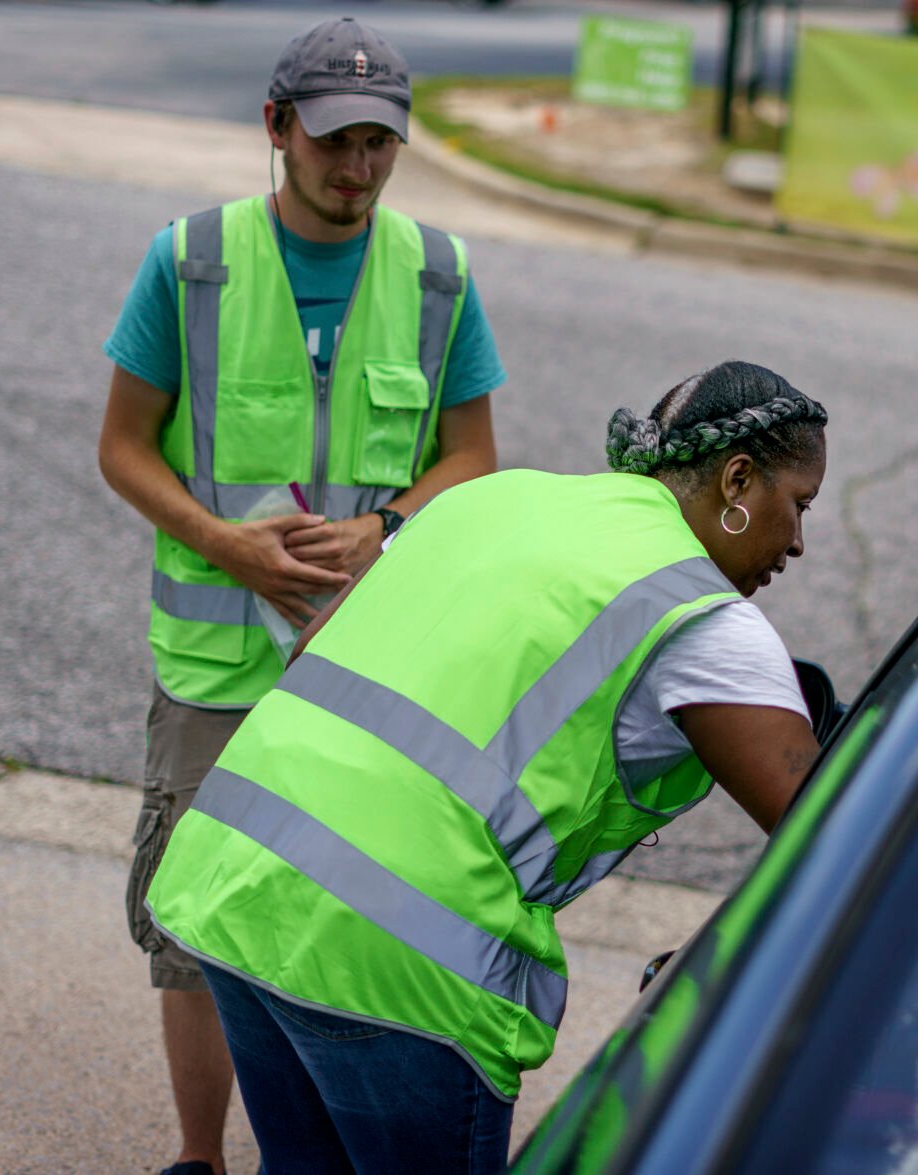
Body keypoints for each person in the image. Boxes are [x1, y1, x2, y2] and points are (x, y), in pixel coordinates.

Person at [144, 360, 828, 1172]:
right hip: (391, 961)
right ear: (738, 478)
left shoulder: (491, 497)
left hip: (235, 877)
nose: (797, 542)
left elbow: (310, 649)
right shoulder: (705, 616)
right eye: (798, 505)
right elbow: (836, 836)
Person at [96, 18, 504, 1175]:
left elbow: (473, 457)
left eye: (381, 142)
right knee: (193, 929)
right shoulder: (190, 260)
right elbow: (123, 448)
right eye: (335, 140)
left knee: (335, 926)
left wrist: (386, 528)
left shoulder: (438, 273)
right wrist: (228, 544)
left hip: (367, 672)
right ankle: (197, 1156)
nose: (359, 166)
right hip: (216, 673)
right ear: (276, 128)